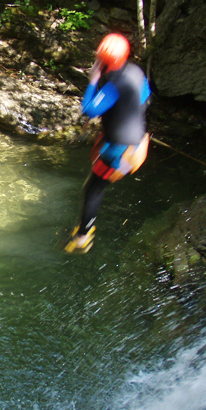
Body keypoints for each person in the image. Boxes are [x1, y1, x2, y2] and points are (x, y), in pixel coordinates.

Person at [63, 33, 151, 253]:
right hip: (137, 144)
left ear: (102, 61)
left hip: (119, 152)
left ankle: (82, 238)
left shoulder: (113, 86)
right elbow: (145, 99)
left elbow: (89, 109)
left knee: (92, 189)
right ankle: (84, 229)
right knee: (96, 183)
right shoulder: (136, 72)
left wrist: (93, 79)